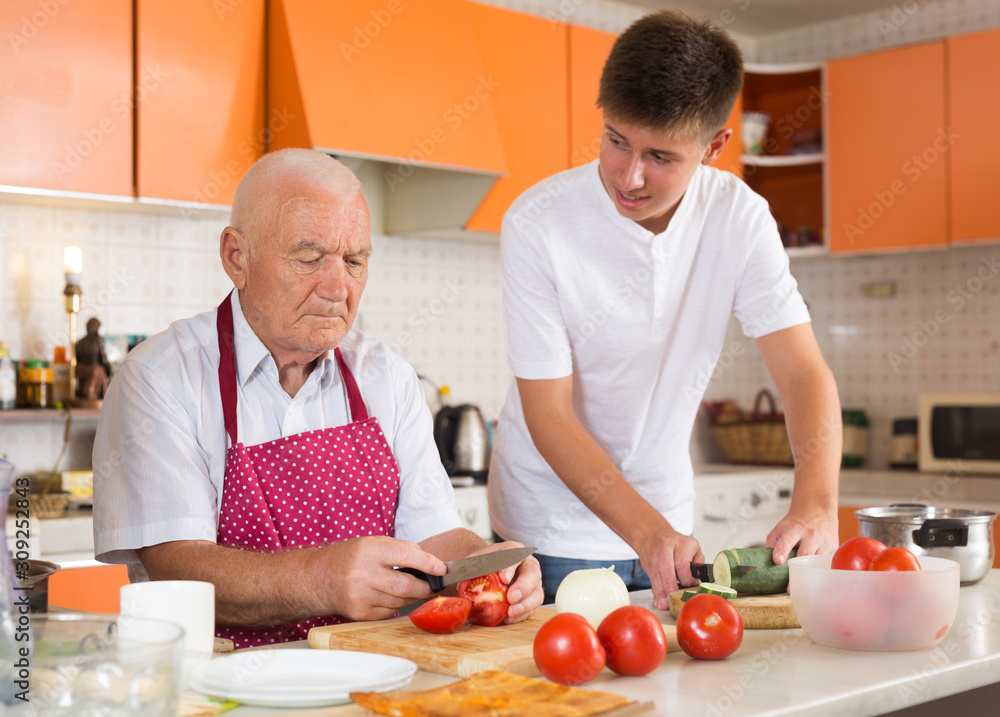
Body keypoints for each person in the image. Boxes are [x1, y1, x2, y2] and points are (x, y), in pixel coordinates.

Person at [93, 149, 542, 648]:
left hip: (373, 669)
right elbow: (177, 569)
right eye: (308, 258)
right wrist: (321, 579)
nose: (337, 288)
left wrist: (487, 567)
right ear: (237, 257)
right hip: (221, 678)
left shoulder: (388, 377)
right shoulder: (159, 377)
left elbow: (434, 537)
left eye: (354, 261)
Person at [488, 10, 841, 610]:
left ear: (714, 146)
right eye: (616, 141)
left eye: (660, 156)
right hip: (550, 529)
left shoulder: (739, 217)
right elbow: (548, 413)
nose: (630, 177)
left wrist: (816, 503)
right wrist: (648, 532)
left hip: (670, 521)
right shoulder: (537, 221)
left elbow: (802, 371)